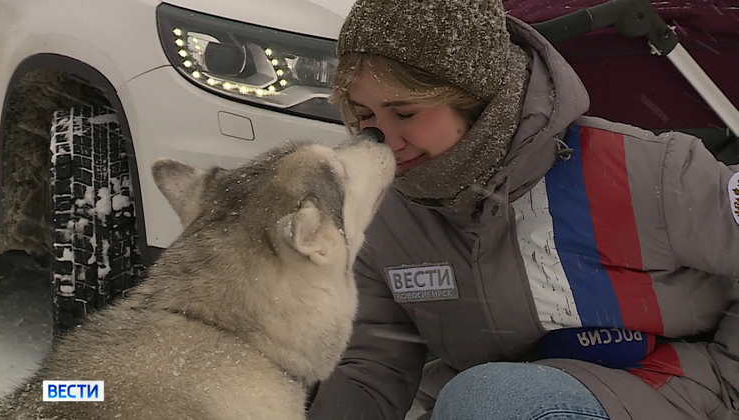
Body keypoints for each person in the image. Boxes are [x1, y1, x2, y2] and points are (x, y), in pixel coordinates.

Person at [306, 0, 739, 419]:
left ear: (475, 99)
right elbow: (371, 366)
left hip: (681, 394)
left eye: (405, 112)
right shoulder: (385, 221)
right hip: (492, 403)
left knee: (488, 400)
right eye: (364, 115)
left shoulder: (648, 170)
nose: (387, 140)